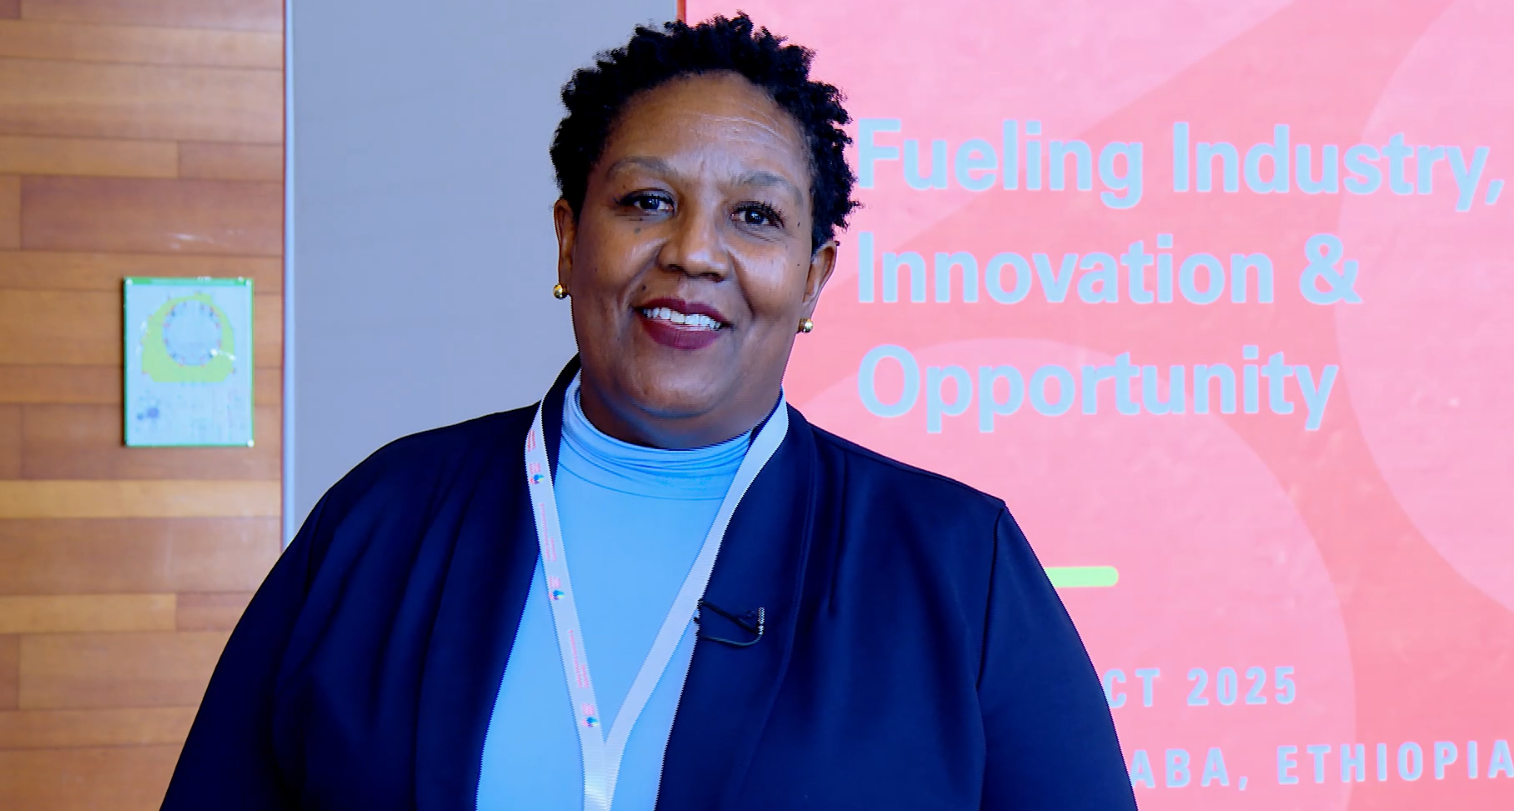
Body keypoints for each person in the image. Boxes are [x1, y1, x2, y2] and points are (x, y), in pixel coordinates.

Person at [161, 14, 1137, 811]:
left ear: (812, 280)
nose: (693, 252)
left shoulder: (957, 564)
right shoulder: (383, 520)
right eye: (645, 201)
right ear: (567, 240)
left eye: (755, 216)